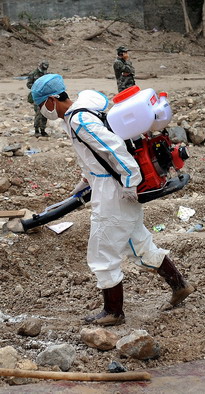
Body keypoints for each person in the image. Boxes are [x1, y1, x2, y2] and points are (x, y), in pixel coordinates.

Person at [31, 74, 194, 326]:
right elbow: (95, 155)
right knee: (138, 242)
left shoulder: (79, 120)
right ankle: (179, 285)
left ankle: (113, 312)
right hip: (108, 185)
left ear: (52, 100)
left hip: (114, 191)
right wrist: (86, 181)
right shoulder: (77, 116)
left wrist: (130, 180)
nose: (42, 110)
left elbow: (113, 148)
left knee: (102, 251)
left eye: (42, 104)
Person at [27, 61, 49, 137]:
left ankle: (43, 130)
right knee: (38, 113)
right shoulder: (33, 74)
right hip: (36, 96)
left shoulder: (46, 74)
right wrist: (36, 86)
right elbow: (28, 84)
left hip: (45, 96)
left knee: (45, 113)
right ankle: (36, 130)